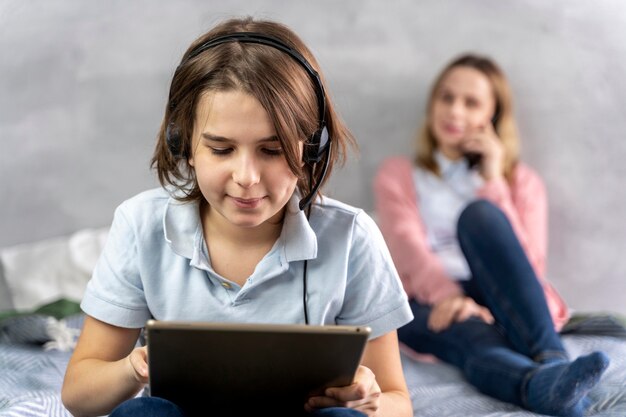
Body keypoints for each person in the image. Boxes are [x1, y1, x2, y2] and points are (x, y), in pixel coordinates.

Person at [61, 16, 414, 417]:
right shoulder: (140, 224)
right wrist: (132, 369)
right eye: (222, 149)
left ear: (310, 147)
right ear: (185, 145)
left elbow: (398, 402)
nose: (246, 178)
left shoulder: (352, 237)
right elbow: (79, 395)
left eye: (272, 149)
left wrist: (370, 401)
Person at [373, 53, 610, 417]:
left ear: (492, 116)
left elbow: (527, 268)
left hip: (505, 294)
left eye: (471, 103)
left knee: (480, 216)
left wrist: (493, 180)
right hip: (429, 299)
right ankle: (543, 385)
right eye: (446, 97)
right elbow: (408, 249)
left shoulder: (522, 182)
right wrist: (450, 298)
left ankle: (551, 358)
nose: (454, 111)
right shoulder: (398, 174)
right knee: (474, 338)